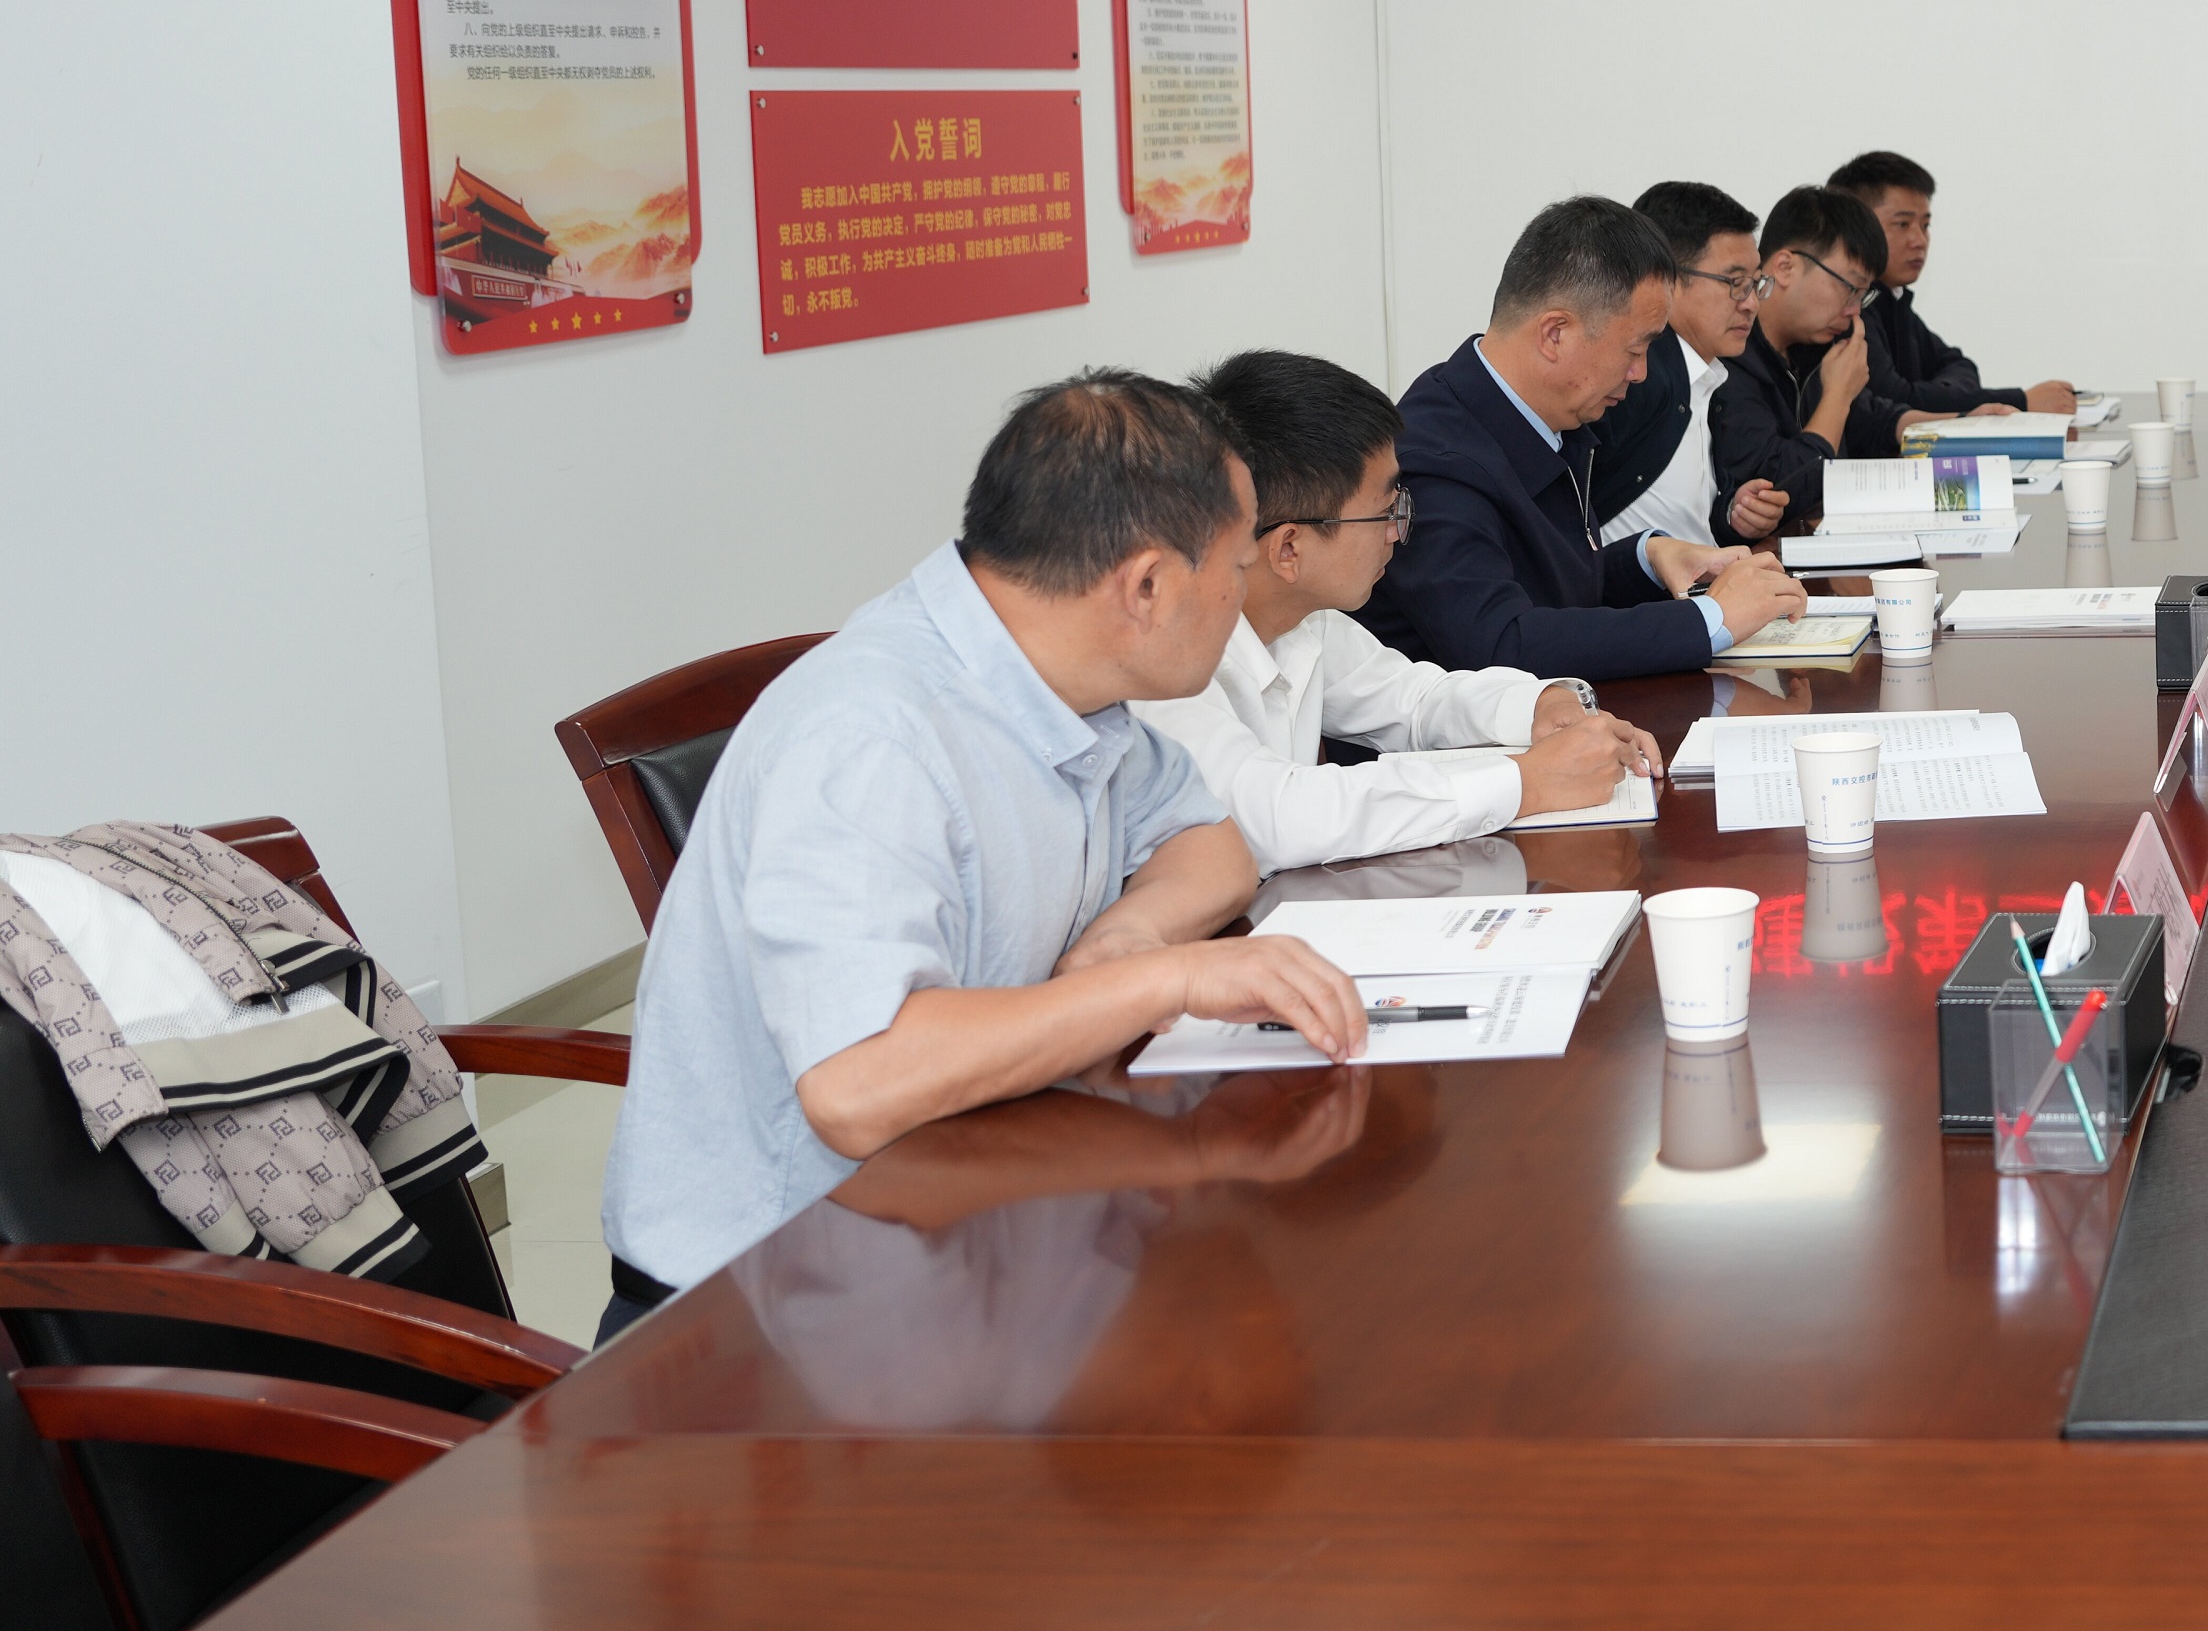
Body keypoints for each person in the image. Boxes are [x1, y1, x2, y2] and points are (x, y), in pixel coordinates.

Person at [596, 373, 1369, 1335]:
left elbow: (1210, 844)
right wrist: (1163, 981)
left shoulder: (1052, 669)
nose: (1243, 593)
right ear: (1145, 586)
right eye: (1237, 565)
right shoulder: (871, 737)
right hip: (771, 1309)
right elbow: (858, 1084)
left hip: (970, 1211)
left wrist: (1124, 940)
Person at [1140, 349, 1665, 872]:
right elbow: (1280, 817)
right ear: (1289, 550)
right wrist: (1524, 782)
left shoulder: (1306, 620)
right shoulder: (1160, 665)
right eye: (1384, 512)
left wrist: (1538, 706)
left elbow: (1414, 700)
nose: (1399, 531)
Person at [1367, 197, 1807, 681]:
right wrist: (1710, 619)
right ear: (1555, 334)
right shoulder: (1435, 460)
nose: (1641, 373)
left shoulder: (1542, 413)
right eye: (1635, 349)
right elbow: (1501, 644)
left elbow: (1555, 592)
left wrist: (1648, 556)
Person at [1580, 179, 1793, 556]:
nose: (1751, 303)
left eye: (1756, 283)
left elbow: (1684, 521)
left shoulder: (1704, 375)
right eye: (1735, 283)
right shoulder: (1635, 378)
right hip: (1639, 590)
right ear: (1668, 280)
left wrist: (1731, 511)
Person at [1829, 149, 2078, 423]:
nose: (1919, 240)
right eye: (1902, 224)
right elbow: (1896, 400)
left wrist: (1930, 393)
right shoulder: (1849, 310)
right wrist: (2021, 400)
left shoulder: (1894, 300)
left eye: (1925, 225)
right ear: (1858, 226)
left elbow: (1959, 365)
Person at [1721, 184, 1904, 506]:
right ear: (1785, 267)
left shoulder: (1815, 345)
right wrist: (1837, 396)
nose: (1854, 311)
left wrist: (1966, 419)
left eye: (1863, 296)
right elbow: (1779, 488)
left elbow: (1875, 423)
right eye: (1850, 288)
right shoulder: (1730, 357)